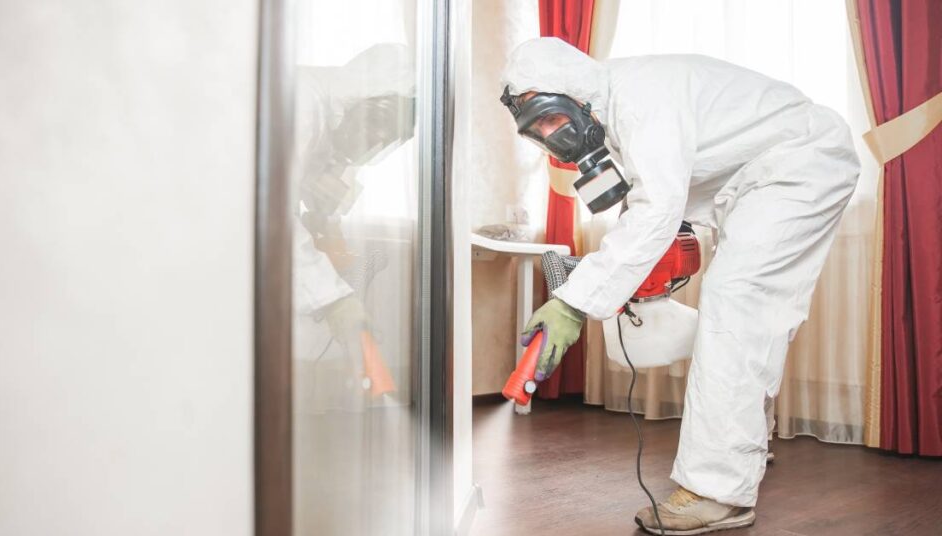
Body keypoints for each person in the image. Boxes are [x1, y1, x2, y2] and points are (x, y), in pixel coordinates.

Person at [500, 37, 859, 534]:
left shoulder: (641, 98)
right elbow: (641, 202)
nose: (549, 133)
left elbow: (657, 210)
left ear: (573, 96)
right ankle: (742, 446)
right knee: (749, 315)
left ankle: (718, 491)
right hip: (754, 179)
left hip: (799, 163)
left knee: (737, 305)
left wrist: (573, 304)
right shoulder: (610, 114)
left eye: (549, 117)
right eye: (537, 129)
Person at [291, 43, 415, 374]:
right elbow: (273, 219)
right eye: (380, 128)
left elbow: (305, 188)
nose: (377, 142)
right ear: (365, 101)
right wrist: (334, 300)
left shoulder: (329, 122)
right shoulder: (303, 105)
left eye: (388, 138)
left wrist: (323, 212)